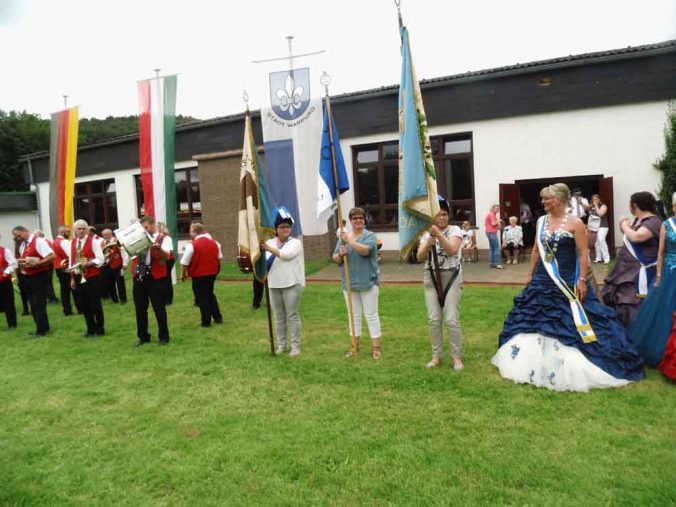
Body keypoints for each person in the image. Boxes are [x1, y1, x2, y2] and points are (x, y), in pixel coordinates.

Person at [492, 183, 645, 392]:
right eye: (542, 198)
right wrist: (529, 273)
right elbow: (536, 250)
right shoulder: (540, 221)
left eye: (547, 198)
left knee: (571, 318)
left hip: (567, 279)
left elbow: (583, 253)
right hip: (541, 279)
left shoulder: (575, 223)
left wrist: (582, 280)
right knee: (535, 316)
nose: (543, 202)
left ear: (560, 200)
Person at [628, 192, 676, 368]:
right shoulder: (666, 224)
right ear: (673, 207)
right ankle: (660, 351)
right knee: (663, 311)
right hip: (670, 273)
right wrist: (658, 276)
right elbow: (661, 252)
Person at [416, 197, 464, 370]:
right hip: (431, 278)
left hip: (451, 276)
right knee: (434, 319)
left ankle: (456, 357)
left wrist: (438, 234)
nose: (442, 218)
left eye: (444, 214)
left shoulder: (455, 230)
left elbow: (452, 250)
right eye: (438, 215)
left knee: (451, 318)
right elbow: (419, 257)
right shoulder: (426, 232)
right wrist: (428, 243)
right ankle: (436, 356)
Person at [602, 192, 662, 327]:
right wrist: (625, 225)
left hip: (637, 275)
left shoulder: (654, 222)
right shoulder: (637, 220)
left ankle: (634, 336)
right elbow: (627, 234)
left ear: (634, 205)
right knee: (615, 302)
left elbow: (636, 237)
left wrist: (623, 223)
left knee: (630, 304)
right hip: (623, 271)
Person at [333, 207, 382, 359]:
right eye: (355, 218)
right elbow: (335, 257)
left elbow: (366, 251)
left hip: (368, 282)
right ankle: (355, 346)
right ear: (351, 221)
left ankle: (376, 348)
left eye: (360, 218)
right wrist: (340, 255)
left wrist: (349, 241)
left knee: (371, 315)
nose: (358, 221)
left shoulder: (370, 235)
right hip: (349, 283)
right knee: (353, 316)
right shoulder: (344, 237)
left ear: (364, 220)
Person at [261, 207, 305, 356]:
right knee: (278, 316)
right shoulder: (270, 242)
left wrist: (267, 248)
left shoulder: (295, 242)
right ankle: (282, 345)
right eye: (281, 227)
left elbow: (286, 255)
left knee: (291, 315)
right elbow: (263, 261)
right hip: (274, 284)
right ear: (276, 229)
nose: (285, 229)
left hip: (292, 283)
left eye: (287, 226)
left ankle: (295, 346)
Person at [131, 215, 172, 346]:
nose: (145, 230)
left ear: (153, 225)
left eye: (147, 227)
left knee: (159, 307)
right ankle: (143, 336)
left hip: (155, 277)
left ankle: (163, 336)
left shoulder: (164, 238)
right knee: (140, 308)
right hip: (139, 274)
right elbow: (131, 255)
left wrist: (158, 248)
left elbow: (167, 257)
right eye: (143, 228)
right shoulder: (139, 238)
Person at [12, 225, 55, 337]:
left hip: (39, 276)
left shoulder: (38, 241)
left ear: (25, 231)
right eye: (16, 236)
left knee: (38, 303)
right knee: (33, 303)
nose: (18, 238)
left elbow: (51, 256)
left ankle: (42, 330)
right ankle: (41, 327)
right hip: (28, 277)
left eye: (19, 235)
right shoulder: (22, 245)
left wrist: (38, 263)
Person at [180, 222, 223, 327]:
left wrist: (183, 274)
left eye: (190, 231)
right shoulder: (215, 243)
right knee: (210, 294)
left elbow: (184, 262)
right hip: (212, 273)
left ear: (195, 232)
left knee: (201, 297)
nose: (190, 233)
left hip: (198, 274)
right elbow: (219, 258)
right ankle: (217, 317)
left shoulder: (192, 245)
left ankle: (206, 321)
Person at [68, 219, 105, 337]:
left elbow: (100, 259)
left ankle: (100, 329)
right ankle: (90, 328)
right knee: (84, 304)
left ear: (87, 230)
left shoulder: (93, 241)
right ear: (75, 230)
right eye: (79, 229)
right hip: (78, 276)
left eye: (83, 228)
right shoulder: (72, 242)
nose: (81, 231)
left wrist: (88, 263)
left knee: (95, 303)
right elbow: (71, 261)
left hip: (92, 275)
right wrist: (72, 278)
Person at [52, 225, 79, 315]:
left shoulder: (55, 241)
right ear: (63, 232)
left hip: (58, 267)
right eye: (68, 232)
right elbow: (71, 254)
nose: (69, 234)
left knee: (64, 290)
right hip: (66, 267)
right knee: (74, 287)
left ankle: (67, 310)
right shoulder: (64, 242)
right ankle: (80, 308)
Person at [101, 228, 128, 304]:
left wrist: (125, 263)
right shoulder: (102, 243)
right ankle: (114, 299)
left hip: (117, 264)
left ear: (111, 234)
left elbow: (123, 251)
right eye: (104, 235)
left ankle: (123, 300)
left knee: (120, 282)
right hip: (107, 265)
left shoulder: (116, 241)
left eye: (107, 234)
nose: (106, 236)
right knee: (109, 283)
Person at [0, 235, 18, 329]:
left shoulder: (5, 251)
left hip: (4, 281)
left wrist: (6, 272)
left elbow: (14, 263)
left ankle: (12, 324)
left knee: (8, 302)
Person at [156, 221, 175, 305]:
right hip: (163, 259)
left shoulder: (166, 238)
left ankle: (168, 299)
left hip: (168, 259)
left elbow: (167, 251)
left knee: (167, 279)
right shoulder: (159, 237)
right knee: (164, 278)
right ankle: (163, 297)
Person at [588, 194, 610, 264]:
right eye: (593, 199)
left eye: (596, 199)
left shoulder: (603, 206)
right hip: (594, 227)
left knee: (601, 240)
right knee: (596, 243)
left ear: (599, 199)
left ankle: (606, 258)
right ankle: (598, 258)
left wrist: (596, 206)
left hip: (603, 226)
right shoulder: (591, 207)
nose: (594, 201)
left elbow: (601, 214)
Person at [484, 204, 503, 269]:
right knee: (496, 248)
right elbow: (493, 223)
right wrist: (498, 221)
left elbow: (494, 225)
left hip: (489, 232)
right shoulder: (491, 214)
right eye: (496, 208)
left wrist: (498, 225)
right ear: (492, 208)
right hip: (492, 233)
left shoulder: (493, 215)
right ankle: (497, 264)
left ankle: (492, 263)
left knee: (492, 249)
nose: (497, 210)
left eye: (498, 209)